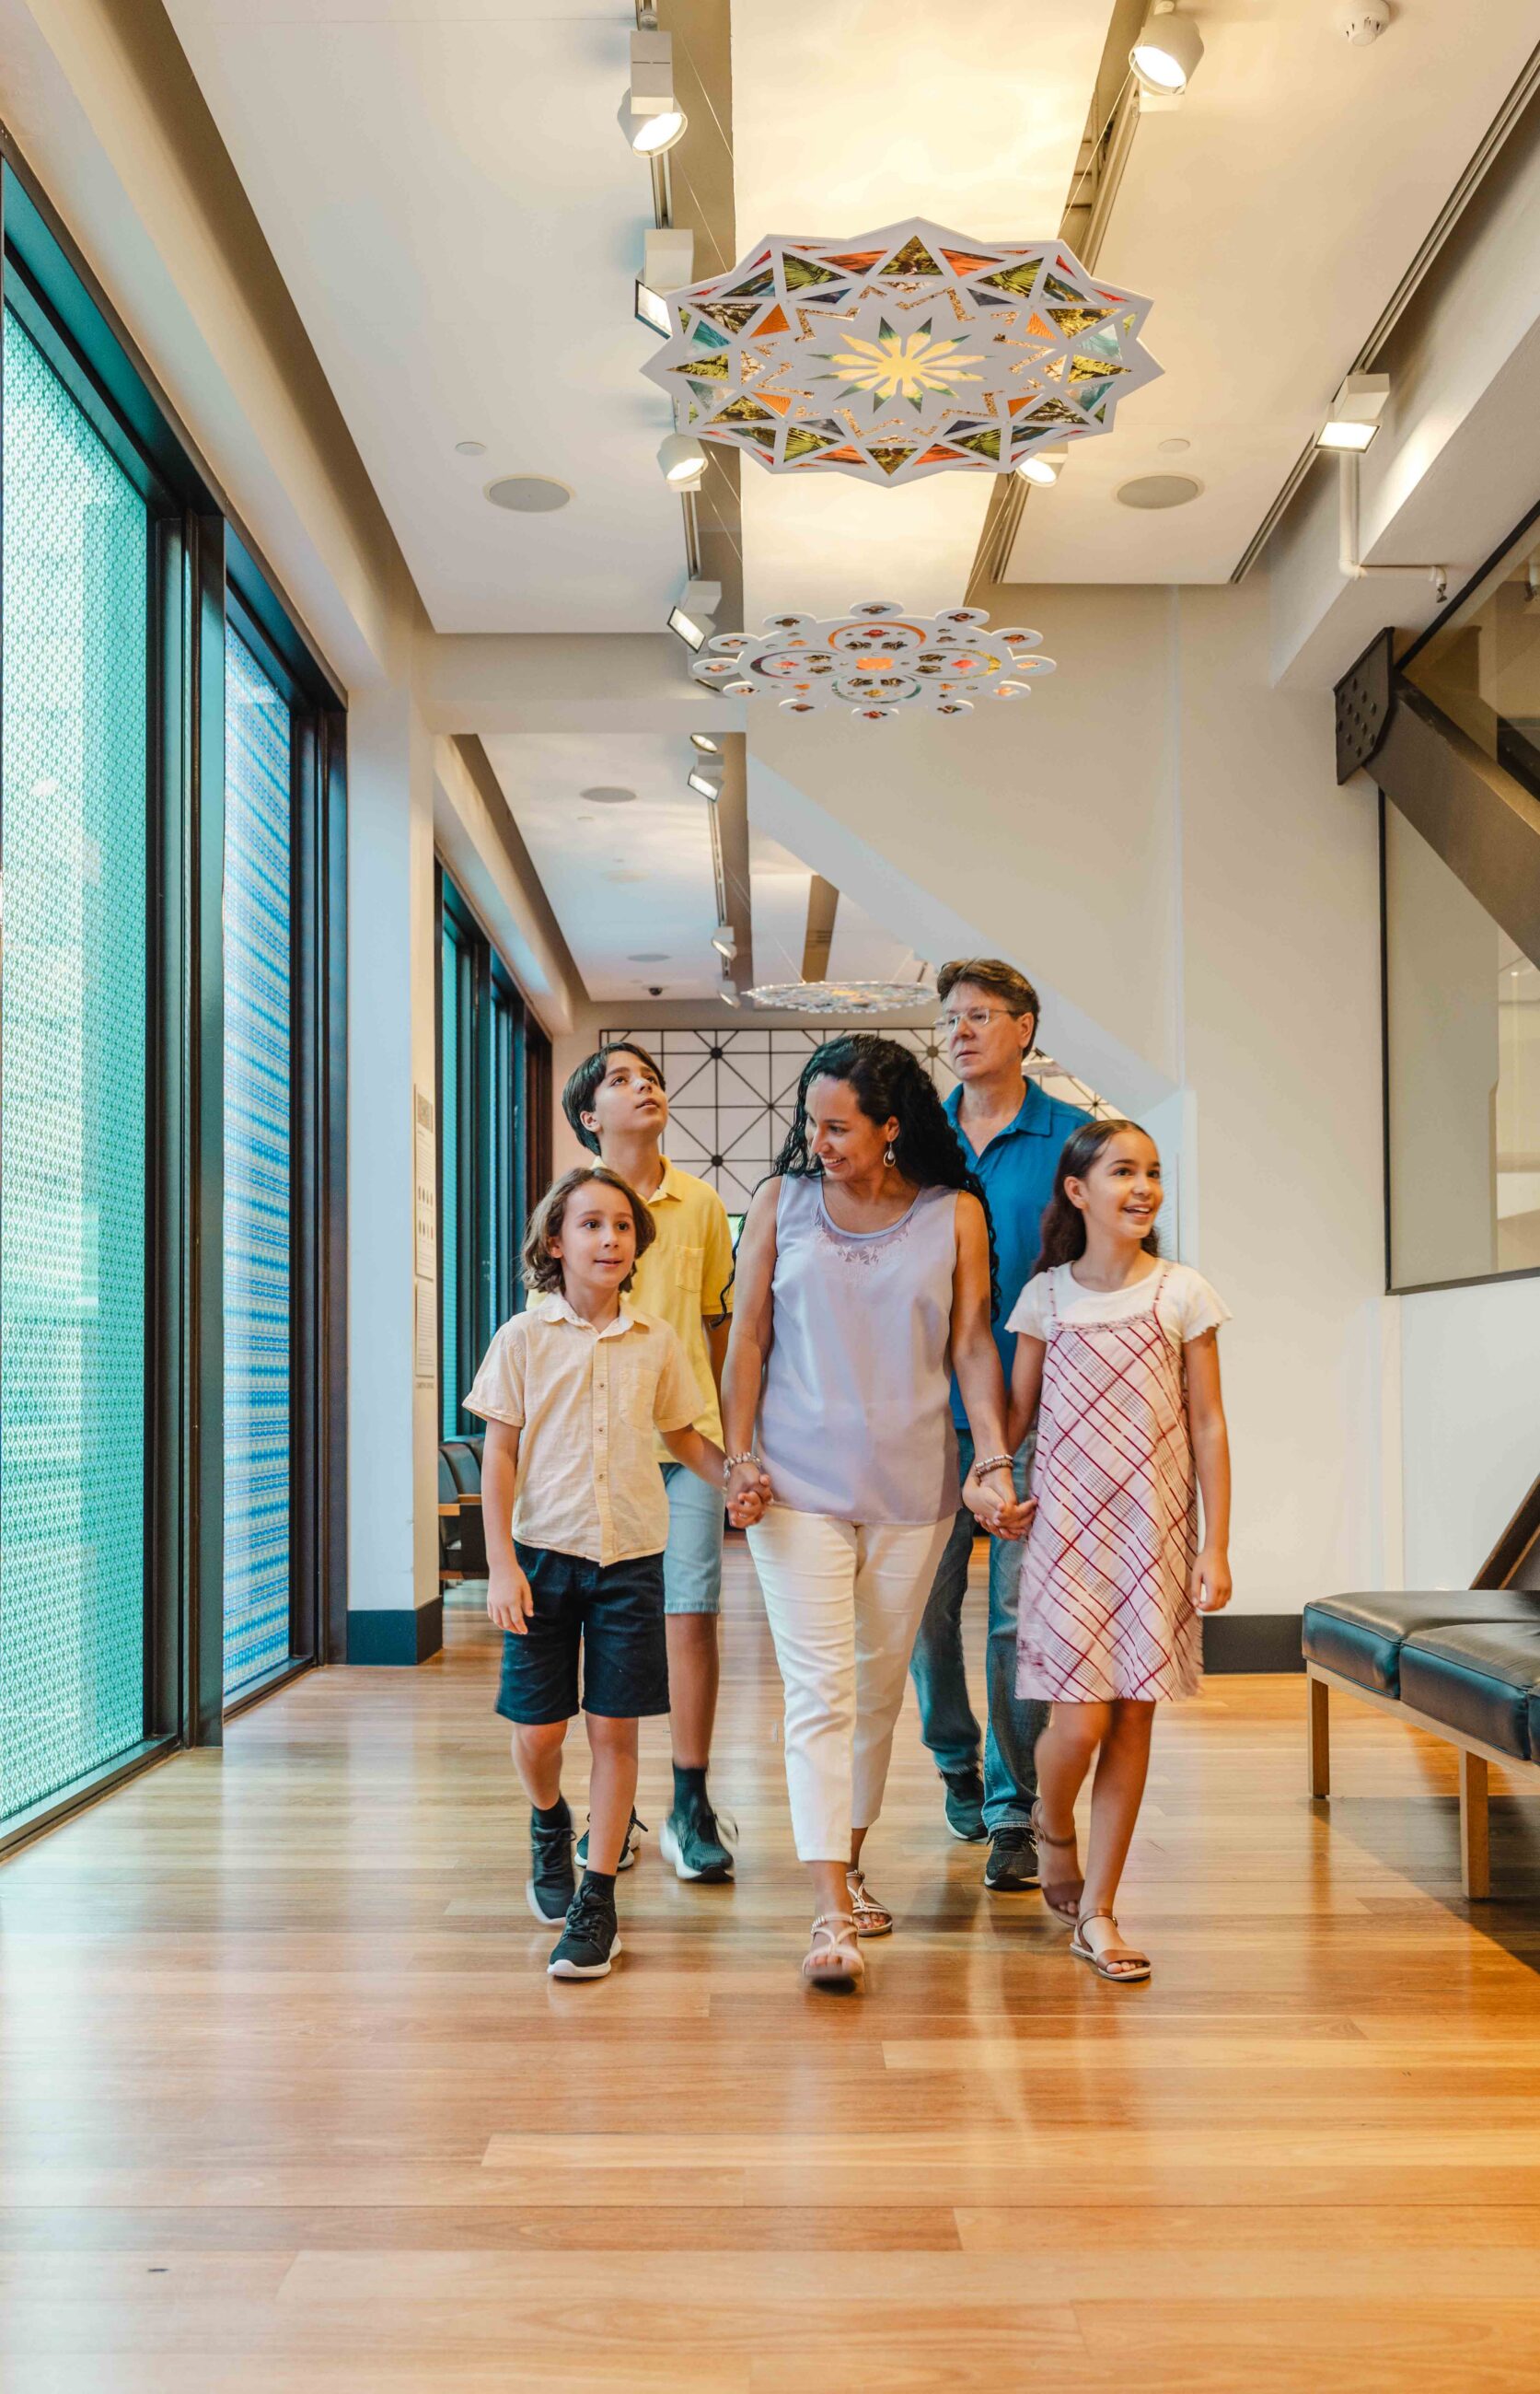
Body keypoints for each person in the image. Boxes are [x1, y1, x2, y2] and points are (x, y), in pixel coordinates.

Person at [721, 1035, 1027, 1993]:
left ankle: (845, 1862)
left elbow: (974, 1343)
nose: (817, 1141)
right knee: (820, 1689)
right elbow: (745, 1339)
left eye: (838, 1125)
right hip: (793, 1484)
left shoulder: (954, 1216)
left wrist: (993, 1456)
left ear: (892, 1128)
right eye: (809, 1121)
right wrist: (738, 1455)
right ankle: (827, 1908)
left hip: (913, 1486)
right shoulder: (780, 1202)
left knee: (877, 1687)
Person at [467, 1166, 760, 1981]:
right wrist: (499, 1566)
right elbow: (498, 1457)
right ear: (553, 1244)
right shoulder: (522, 1337)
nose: (609, 1239)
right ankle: (545, 1819)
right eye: (590, 1225)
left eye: (623, 1227)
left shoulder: (656, 1341)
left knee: (614, 1732)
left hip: (632, 1560)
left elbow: (685, 1436)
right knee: (538, 1736)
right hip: (540, 1559)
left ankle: (597, 1901)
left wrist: (735, 1474)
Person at [978, 1117, 1232, 1985]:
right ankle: (1052, 1827)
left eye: (1153, 1172)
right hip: (1064, 1535)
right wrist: (988, 1482)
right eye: (1123, 1171)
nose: (1144, 1187)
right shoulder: (1045, 1297)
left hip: (1155, 1537)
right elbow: (1014, 1422)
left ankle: (1100, 1912)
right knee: (1077, 1721)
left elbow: (1207, 1425)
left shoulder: (1182, 1293)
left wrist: (1216, 1546)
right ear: (1077, 1192)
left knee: (1132, 1716)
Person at [909, 958, 1089, 1894]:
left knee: (1017, 1618)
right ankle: (955, 1763)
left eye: (979, 1015)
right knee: (923, 1615)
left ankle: (1016, 1806)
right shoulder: (912, 1137)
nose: (960, 1031)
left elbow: (1107, 1268)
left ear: (1024, 1026)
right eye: (949, 1018)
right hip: (916, 1416)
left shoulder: (1073, 1138)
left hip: (1039, 1415)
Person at [562, 1041, 739, 1884]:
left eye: (652, 1077)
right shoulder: (568, 1205)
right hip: (601, 1457)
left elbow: (718, 1329)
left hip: (690, 1443)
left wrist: (735, 1441)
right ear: (589, 1116)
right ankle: (614, 1807)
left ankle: (690, 1801)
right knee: (613, 1629)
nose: (646, 1089)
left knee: (691, 1616)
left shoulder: (701, 1205)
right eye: (622, 1081)